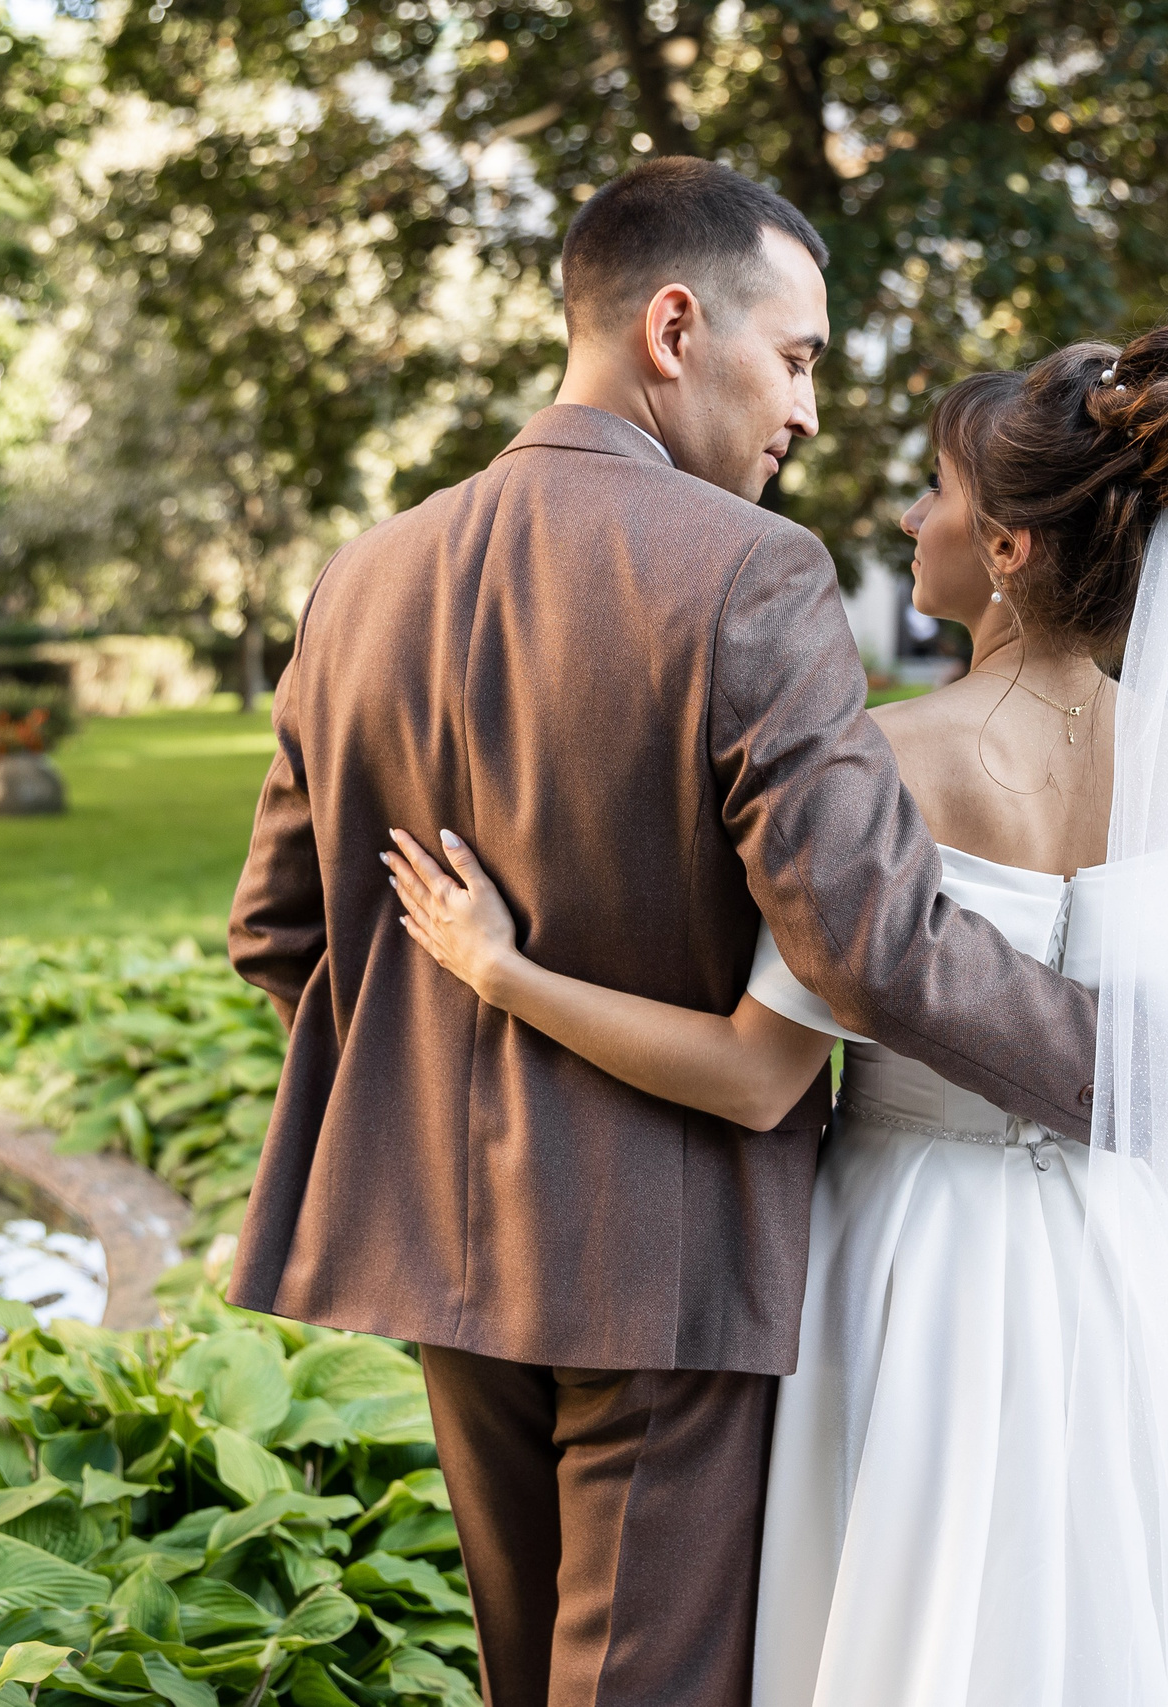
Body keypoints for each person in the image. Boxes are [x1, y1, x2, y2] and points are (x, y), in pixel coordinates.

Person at [389, 322, 1168, 1703]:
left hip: (908, 1267)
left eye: (936, 490)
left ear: (1008, 546)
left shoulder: (883, 757)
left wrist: (503, 972)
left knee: (906, 1619)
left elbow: (750, 1076)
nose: (909, 514)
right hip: (1127, 1272)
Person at [225, 159, 1101, 1707]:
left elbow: (283, 936)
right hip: (669, 1262)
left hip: (443, 1249)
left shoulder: (357, 581)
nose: (810, 413)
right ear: (677, 328)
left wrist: (452, 1092)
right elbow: (871, 946)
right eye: (800, 358)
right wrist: (1124, 1069)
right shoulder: (749, 574)